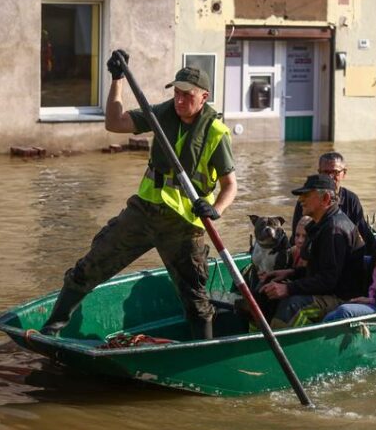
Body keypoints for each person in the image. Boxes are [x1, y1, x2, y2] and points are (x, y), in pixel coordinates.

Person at [38, 51, 237, 340]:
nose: (180, 100)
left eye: (187, 95)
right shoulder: (161, 114)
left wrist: (215, 208)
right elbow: (115, 122)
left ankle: (202, 353)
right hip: (143, 213)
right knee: (88, 267)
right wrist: (117, 79)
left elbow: (231, 185)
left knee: (195, 299)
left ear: (204, 97)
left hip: (183, 225)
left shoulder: (216, 132)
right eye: (177, 93)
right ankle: (51, 330)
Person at [260, 174, 365, 327]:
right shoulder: (322, 224)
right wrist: (292, 273)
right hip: (326, 290)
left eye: (307, 195)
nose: (301, 200)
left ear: (326, 199)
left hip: (340, 297)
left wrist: (288, 288)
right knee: (265, 292)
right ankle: (254, 337)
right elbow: (321, 269)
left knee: (294, 306)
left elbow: (328, 280)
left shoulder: (334, 230)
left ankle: (279, 346)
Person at [290, 152, 375, 250]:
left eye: (335, 172)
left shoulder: (351, 200)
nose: (330, 177)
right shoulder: (307, 201)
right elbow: (296, 235)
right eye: (325, 172)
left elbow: (363, 233)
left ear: (344, 174)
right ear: (319, 172)